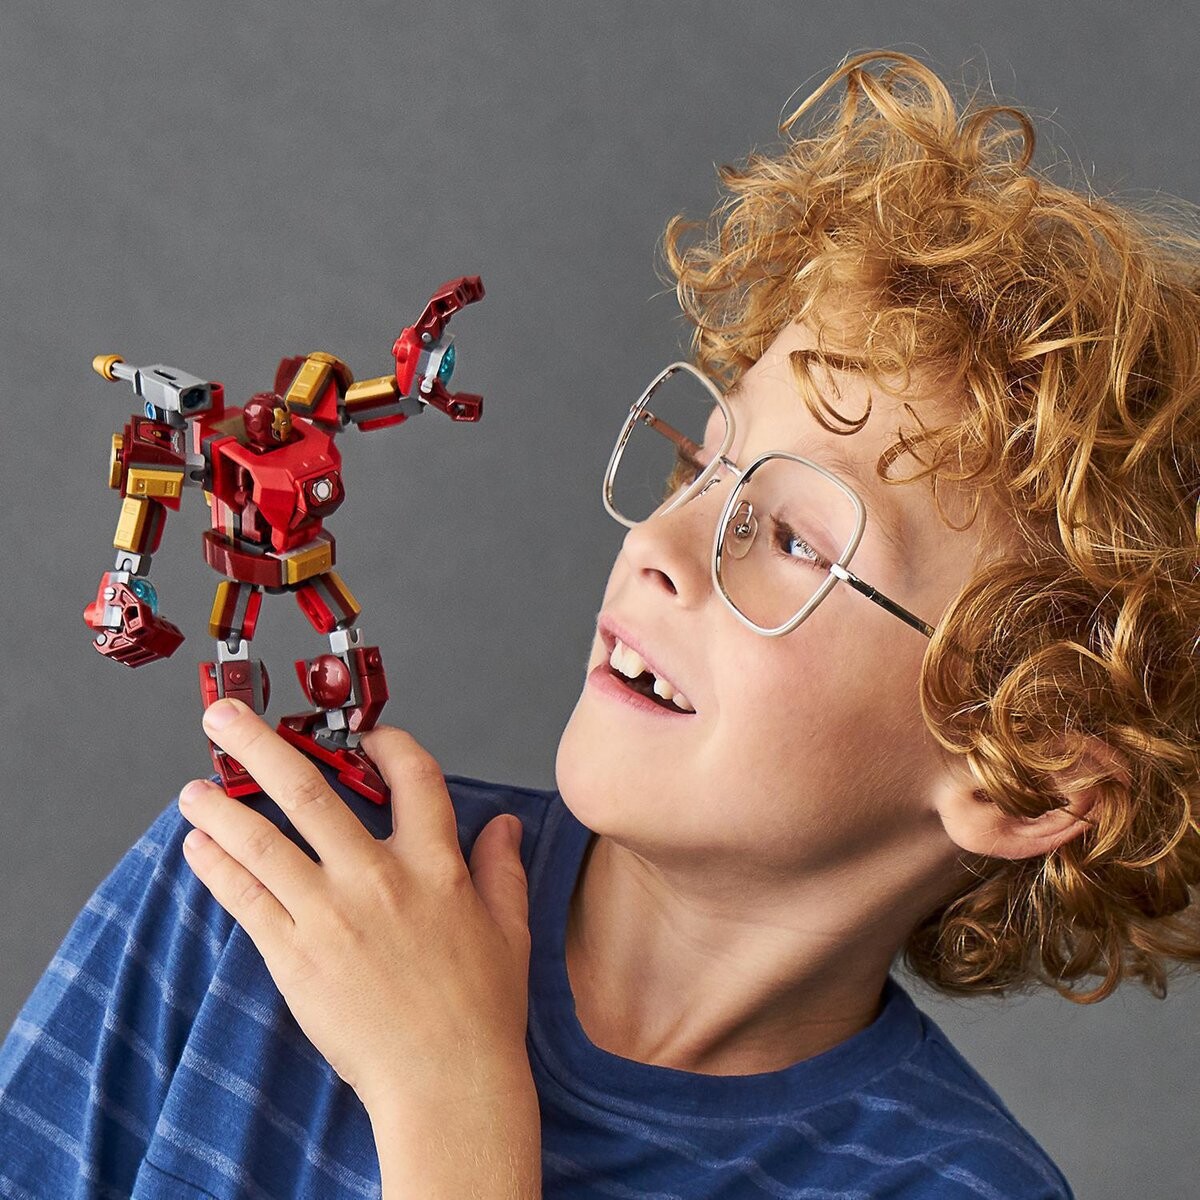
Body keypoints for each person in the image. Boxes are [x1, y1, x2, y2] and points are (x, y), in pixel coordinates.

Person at [2, 48, 1197, 1198]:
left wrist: (450, 1106)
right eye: (703, 466)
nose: (659, 546)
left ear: (1024, 777)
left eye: (794, 539)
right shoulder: (269, 887)